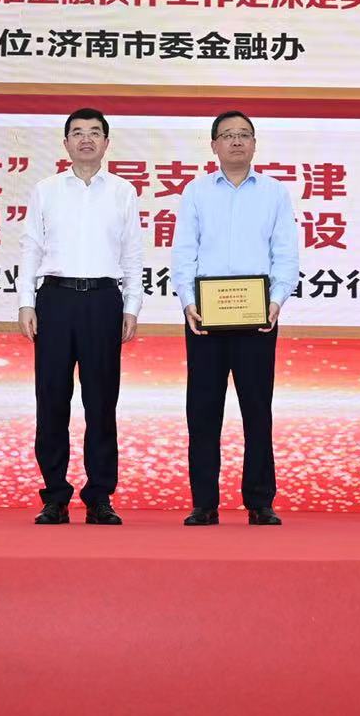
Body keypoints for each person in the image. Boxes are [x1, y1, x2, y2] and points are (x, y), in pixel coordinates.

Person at [171, 111, 300, 526]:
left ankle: (260, 501)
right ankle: (204, 503)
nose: (237, 142)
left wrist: (276, 301)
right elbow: (184, 252)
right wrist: (188, 303)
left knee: (257, 411)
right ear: (214, 145)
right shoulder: (196, 192)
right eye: (227, 135)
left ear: (255, 144)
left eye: (244, 135)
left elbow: (285, 253)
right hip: (204, 318)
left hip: (258, 317)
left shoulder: (274, 193)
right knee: (202, 411)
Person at [18, 108, 143, 525]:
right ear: (66, 143)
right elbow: (31, 248)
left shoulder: (123, 191)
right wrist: (26, 302)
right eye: (77, 133)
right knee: (51, 400)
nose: (86, 139)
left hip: (103, 300)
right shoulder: (46, 190)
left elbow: (132, 253)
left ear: (106, 142)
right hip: (55, 299)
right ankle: (54, 495)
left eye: (94, 133)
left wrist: (131, 306)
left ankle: (99, 496)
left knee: (101, 402)